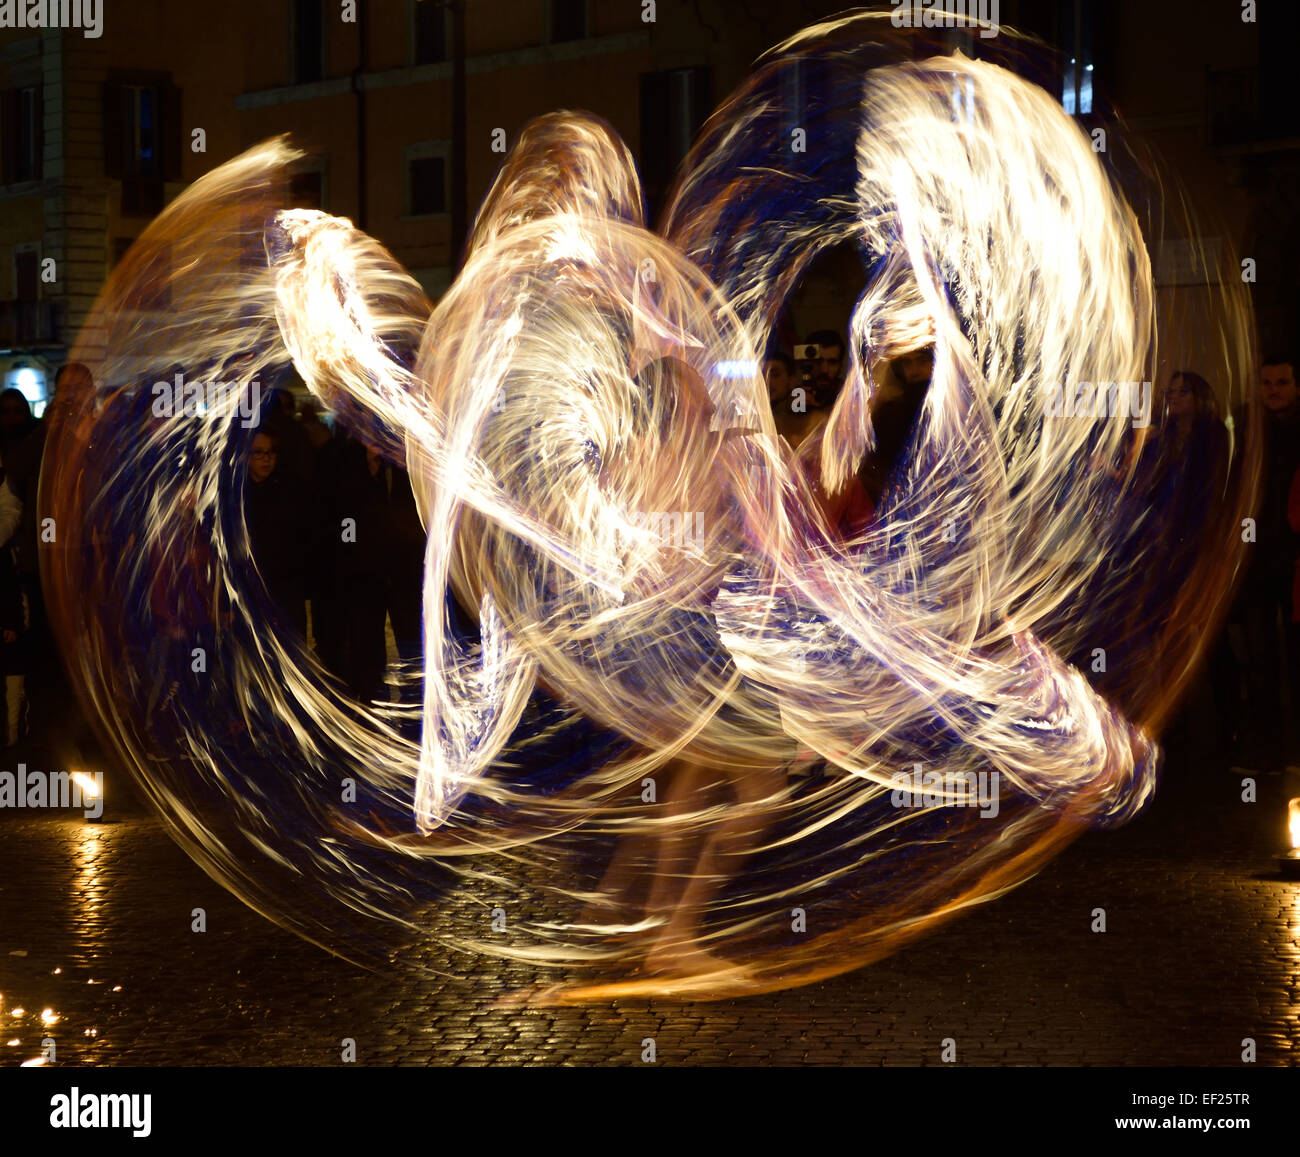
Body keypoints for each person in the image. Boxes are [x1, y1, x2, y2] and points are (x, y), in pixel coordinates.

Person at [1232, 354, 1300, 773]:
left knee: (1294, 657)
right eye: (1267, 383)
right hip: (1259, 558)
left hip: (1292, 557)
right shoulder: (1250, 429)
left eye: (1281, 382)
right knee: (1260, 659)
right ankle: (1270, 750)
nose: (1273, 389)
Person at [244, 427, 312, 638]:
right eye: (259, 453)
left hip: (285, 585)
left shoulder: (291, 489)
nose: (266, 459)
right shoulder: (237, 494)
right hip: (251, 587)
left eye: (271, 453)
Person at [764, 351, 818, 447]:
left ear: (791, 380)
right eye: (763, 375)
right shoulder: (755, 415)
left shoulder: (800, 408)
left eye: (775, 375)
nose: (768, 381)